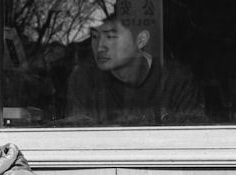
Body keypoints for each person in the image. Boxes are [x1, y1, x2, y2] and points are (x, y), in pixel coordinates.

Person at [64, 12, 205, 125]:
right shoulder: (85, 79)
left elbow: (193, 136)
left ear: (141, 40)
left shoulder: (175, 79)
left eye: (111, 36)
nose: (100, 47)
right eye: (95, 36)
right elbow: (77, 136)